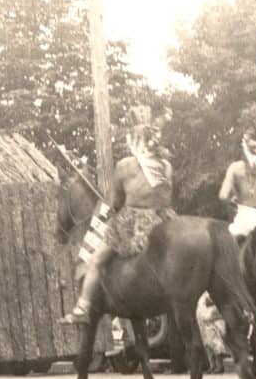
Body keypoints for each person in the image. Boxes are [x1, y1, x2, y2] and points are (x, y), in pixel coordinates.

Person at [58, 122, 174, 324]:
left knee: (95, 260)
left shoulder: (125, 165)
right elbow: (166, 196)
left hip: (132, 222)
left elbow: (115, 202)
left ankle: (83, 307)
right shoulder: (166, 166)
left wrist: (107, 214)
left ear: (136, 142)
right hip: (163, 219)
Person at [219, 127, 256, 240]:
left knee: (228, 249)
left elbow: (223, 196)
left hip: (245, 219)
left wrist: (234, 202)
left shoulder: (235, 167)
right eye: (255, 147)